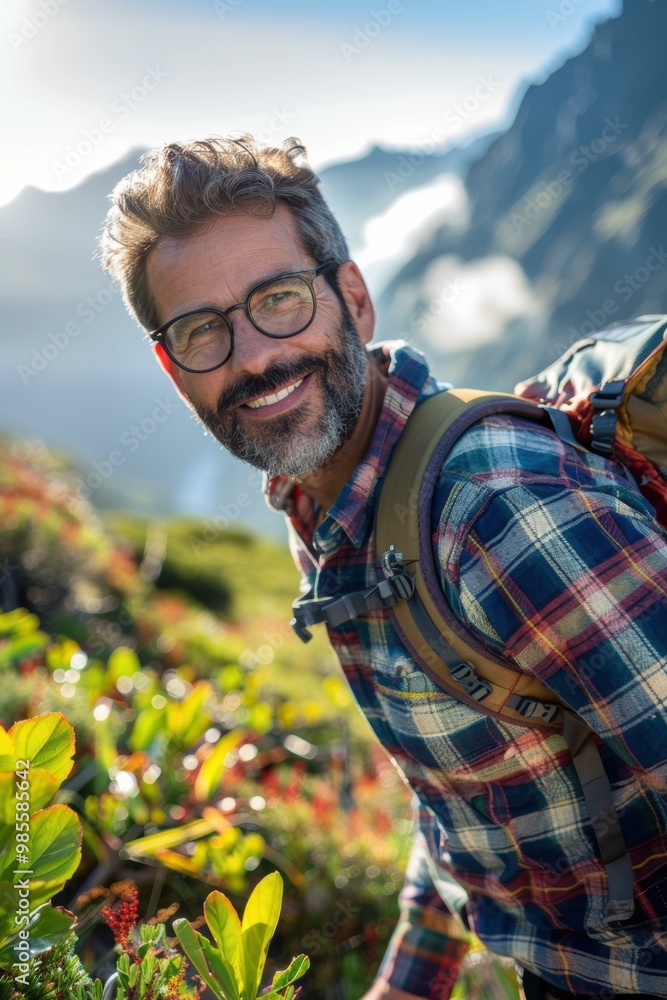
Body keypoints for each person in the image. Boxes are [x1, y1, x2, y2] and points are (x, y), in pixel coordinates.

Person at [100, 135, 667, 1000]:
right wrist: (411, 982)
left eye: (280, 300)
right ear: (172, 368)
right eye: (203, 330)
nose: (253, 357)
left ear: (352, 300)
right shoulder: (327, 509)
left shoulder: (496, 511)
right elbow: (468, 782)